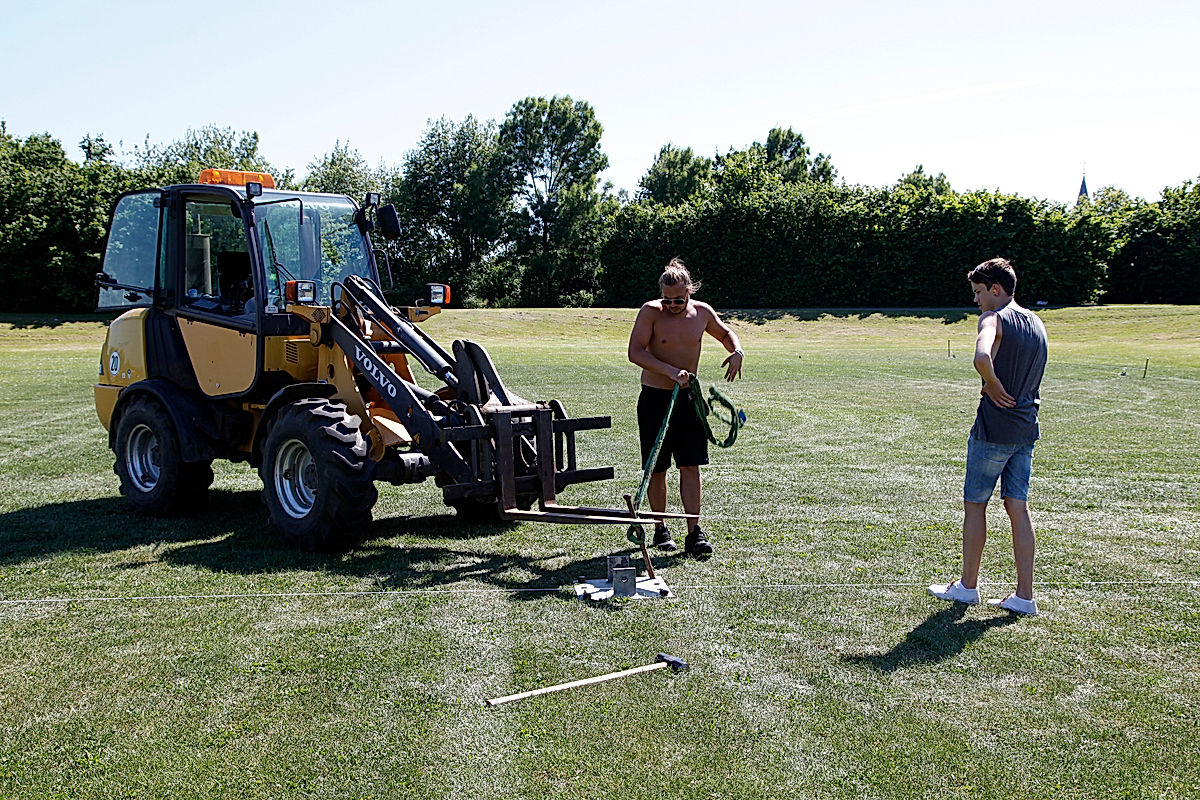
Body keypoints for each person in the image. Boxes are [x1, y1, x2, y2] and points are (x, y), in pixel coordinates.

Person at [930, 257, 1048, 615]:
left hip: (993, 430)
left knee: (975, 505)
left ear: (996, 290)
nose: (977, 300)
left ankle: (967, 588)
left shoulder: (994, 317)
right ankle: (1024, 596)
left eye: (980, 292)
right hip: (1026, 429)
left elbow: (982, 356)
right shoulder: (1037, 322)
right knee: (1018, 507)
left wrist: (992, 384)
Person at [627, 258, 743, 556]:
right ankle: (660, 528)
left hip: (689, 399)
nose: (673, 305)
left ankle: (694, 532)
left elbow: (725, 333)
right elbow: (635, 352)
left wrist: (737, 351)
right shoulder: (650, 312)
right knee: (656, 467)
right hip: (655, 398)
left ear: (690, 291)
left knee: (690, 465)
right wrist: (667, 371)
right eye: (667, 300)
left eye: (679, 300)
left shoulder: (702, 312)